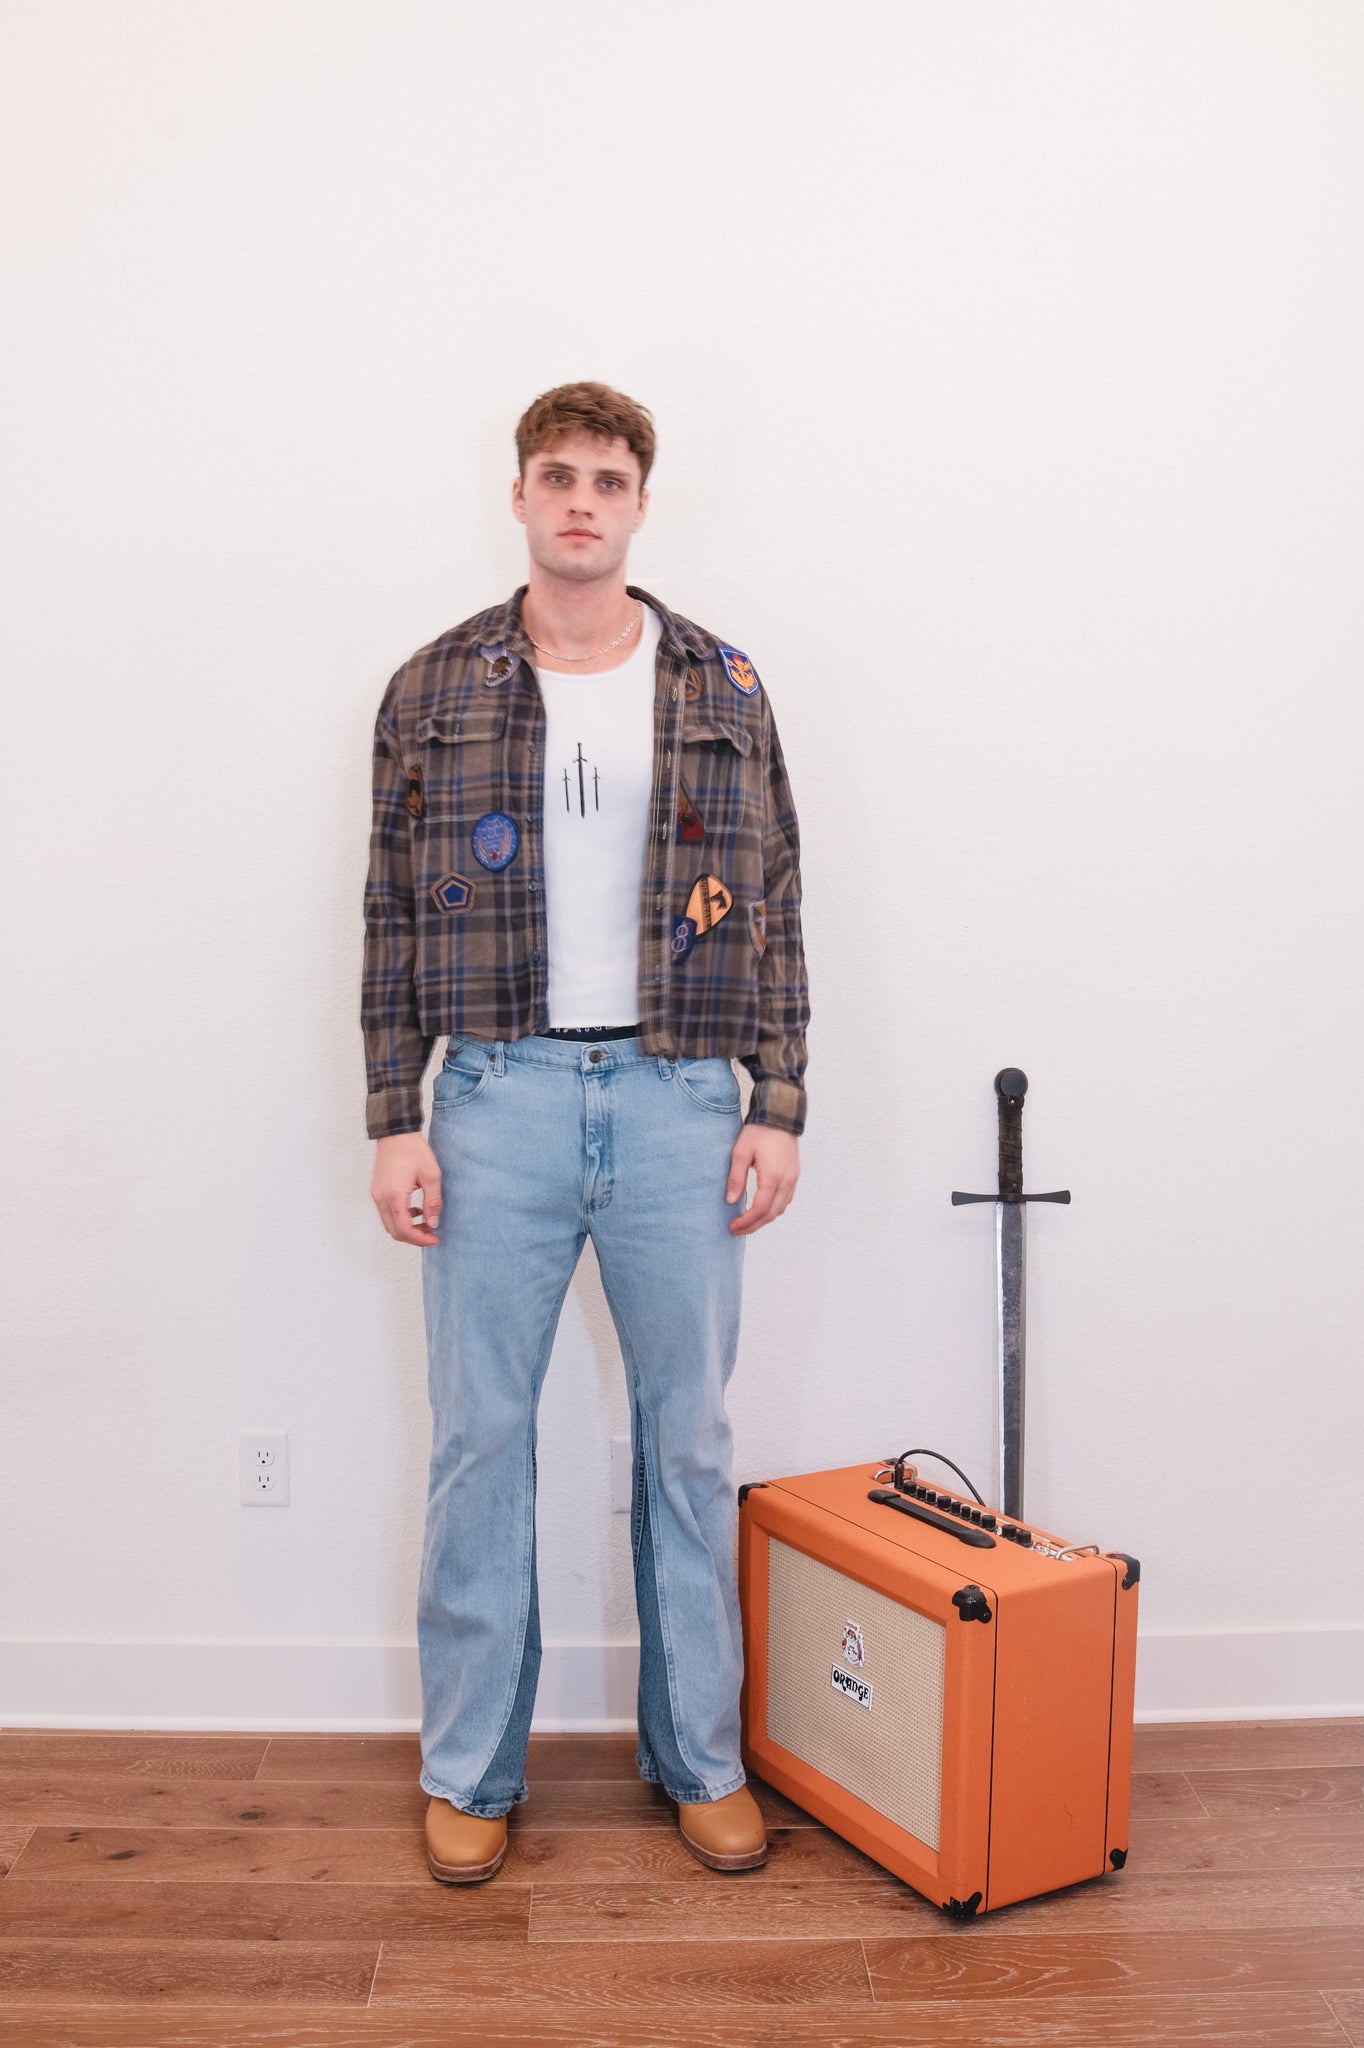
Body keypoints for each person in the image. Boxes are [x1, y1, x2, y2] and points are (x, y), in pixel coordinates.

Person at [363, 381, 809, 1884]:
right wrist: (396, 1118)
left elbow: (777, 900)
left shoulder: (722, 682)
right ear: (518, 495)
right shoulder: (434, 685)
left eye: (608, 481)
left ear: (638, 505)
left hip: (682, 1100)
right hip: (495, 1099)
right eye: (556, 475)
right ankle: (471, 1772)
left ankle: (701, 1759)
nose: (580, 501)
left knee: (688, 1443)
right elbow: (387, 916)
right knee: (480, 1441)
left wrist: (777, 1101)